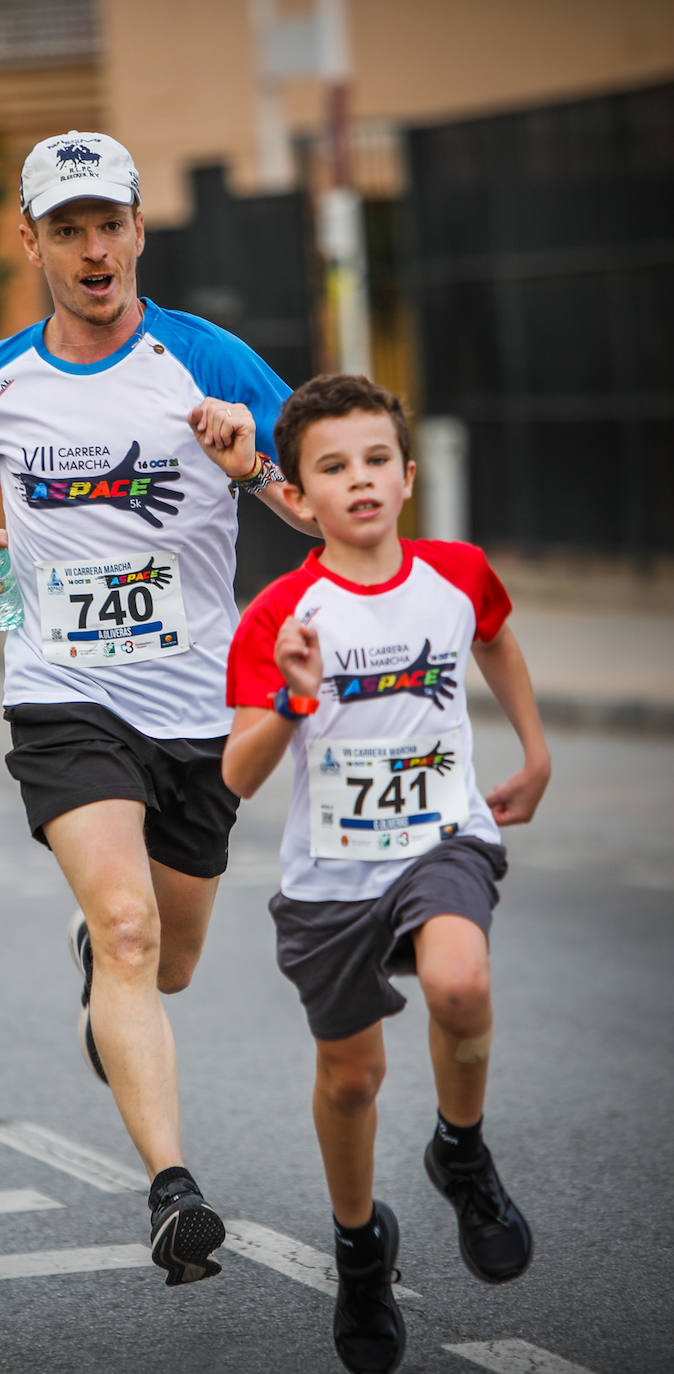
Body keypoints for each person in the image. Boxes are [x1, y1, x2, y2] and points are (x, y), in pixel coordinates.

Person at [0, 130, 316, 1285]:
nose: (93, 250)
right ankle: (172, 1193)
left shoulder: (211, 360)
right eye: (66, 229)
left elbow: (320, 506)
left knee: (170, 957)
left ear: (140, 229)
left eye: (109, 225)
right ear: (31, 241)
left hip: (197, 709)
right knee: (130, 930)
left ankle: (101, 963)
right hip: (61, 694)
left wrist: (251, 467)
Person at [222, 374, 551, 1374]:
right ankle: (360, 1247)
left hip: (440, 839)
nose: (357, 480)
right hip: (331, 878)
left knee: (459, 980)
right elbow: (234, 774)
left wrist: (532, 753)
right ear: (298, 495)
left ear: (405, 477)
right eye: (331, 467)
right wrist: (287, 696)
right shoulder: (281, 612)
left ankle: (460, 1148)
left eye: (374, 460)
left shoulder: (455, 574)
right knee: (350, 1079)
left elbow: (494, 638)